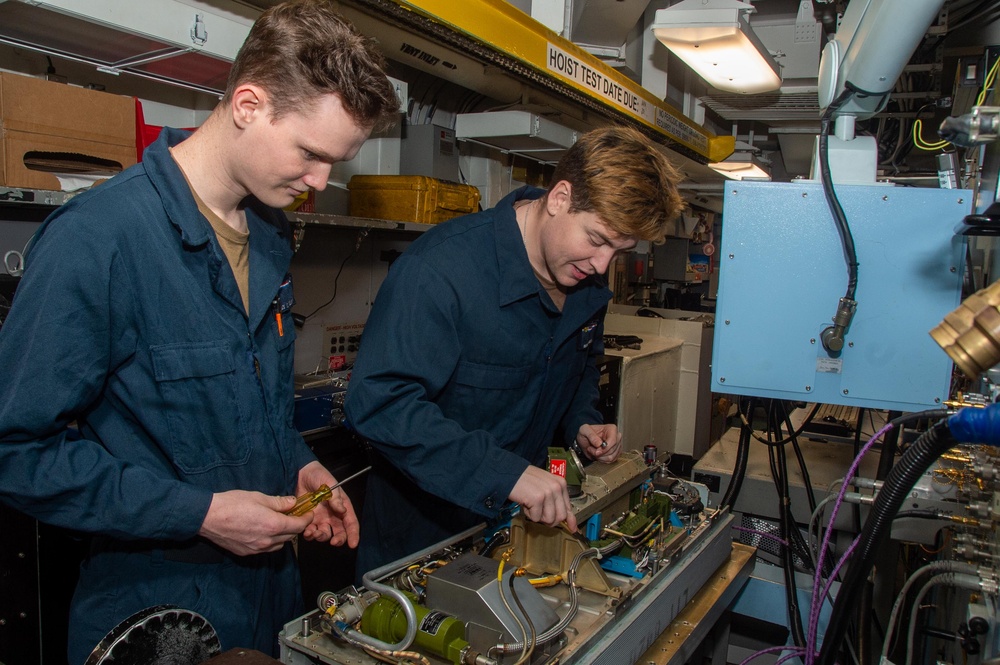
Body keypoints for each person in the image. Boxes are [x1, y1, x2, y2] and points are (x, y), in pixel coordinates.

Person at [0, 1, 399, 660]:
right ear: (247, 104)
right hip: (154, 611)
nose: (320, 182)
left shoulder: (268, 233)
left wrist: (299, 463)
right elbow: (15, 449)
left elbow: (255, 406)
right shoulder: (100, 240)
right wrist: (202, 513)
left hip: (269, 591)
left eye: (336, 162)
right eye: (310, 153)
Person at [344, 125, 685, 575]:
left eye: (618, 251)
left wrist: (580, 420)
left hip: (516, 532)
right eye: (598, 239)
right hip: (423, 543)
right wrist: (505, 474)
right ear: (560, 198)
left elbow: (578, 368)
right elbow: (380, 405)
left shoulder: (586, 283)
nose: (602, 265)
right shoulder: (441, 272)